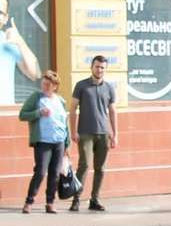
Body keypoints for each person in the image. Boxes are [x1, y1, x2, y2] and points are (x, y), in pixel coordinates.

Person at [69, 55, 118, 212]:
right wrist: (73, 130)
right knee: (83, 166)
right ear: (91, 67)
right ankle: (76, 199)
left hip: (103, 133)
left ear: (105, 69)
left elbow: (112, 111)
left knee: (100, 168)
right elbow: (72, 109)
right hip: (85, 133)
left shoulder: (109, 87)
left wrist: (115, 134)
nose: (99, 70)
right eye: (97, 66)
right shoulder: (81, 86)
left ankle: (94, 199)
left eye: (102, 67)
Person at [18, 70, 69, 214]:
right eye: (44, 83)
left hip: (59, 141)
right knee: (40, 172)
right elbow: (22, 115)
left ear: (55, 86)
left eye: (48, 84)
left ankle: (50, 203)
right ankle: (29, 201)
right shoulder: (36, 98)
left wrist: (67, 142)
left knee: (55, 173)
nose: (45, 86)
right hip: (42, 141)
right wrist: (38, 113)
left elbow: (64, 122)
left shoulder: (60, 100)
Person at [0, 0, 40, 107]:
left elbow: (35, 73)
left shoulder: (9, 42)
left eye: (0, 12)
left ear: (6, 18)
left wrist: (20, 42)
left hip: (4, 115)